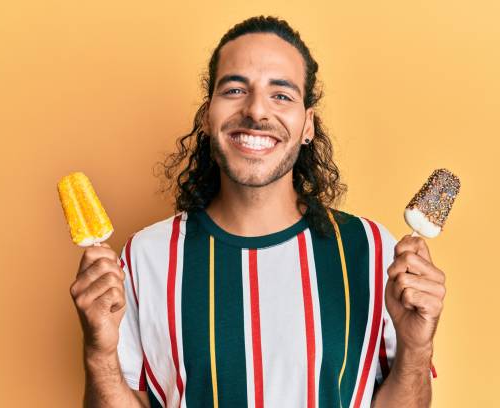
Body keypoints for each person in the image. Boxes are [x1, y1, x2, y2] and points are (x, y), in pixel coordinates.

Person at [70, 15, 446, 408]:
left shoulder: (372, 252)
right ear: (206, 116)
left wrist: (416, 347)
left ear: (307, 126)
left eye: (281, 95)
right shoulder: (144, 256)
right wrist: (98, 353)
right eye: (235, 89)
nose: (256, 111)